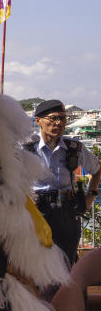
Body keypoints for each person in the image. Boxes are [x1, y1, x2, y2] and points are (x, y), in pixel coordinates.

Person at [26, 99, 101, 266]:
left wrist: (92, 195)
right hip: (35, 214)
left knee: (65, 266)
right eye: (53, 118)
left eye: (62, 118)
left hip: (66, 215)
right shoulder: (26, 149)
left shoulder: (75, 148)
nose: (59, 123)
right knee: (34, 267)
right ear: (38, 120)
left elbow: (97, 170)